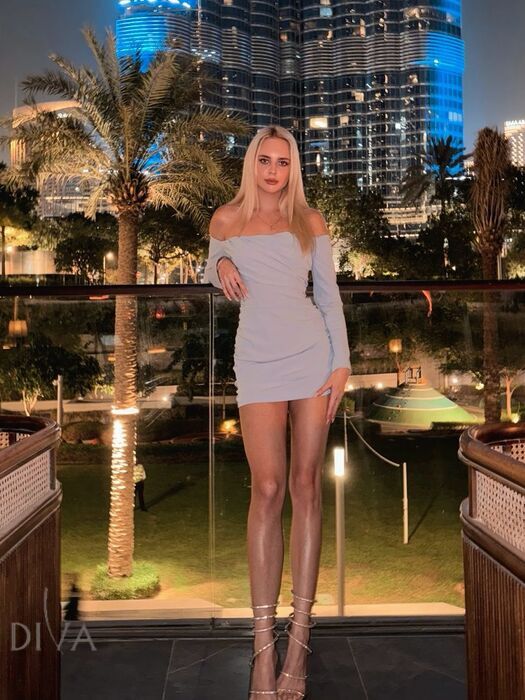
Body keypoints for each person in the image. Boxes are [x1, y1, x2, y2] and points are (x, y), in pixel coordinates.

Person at [202, 125, 351, 699]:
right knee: (266, 489)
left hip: (312, 357)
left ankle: (300, 640)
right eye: (264, 160)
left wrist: (341, 364)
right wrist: (221, 264)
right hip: (257, 361)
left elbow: (328, 297)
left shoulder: (310, 221)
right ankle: (263, 645)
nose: (272, 171)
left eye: (282, 162)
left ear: (293, 169)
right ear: (251, 164)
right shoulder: (225, 218)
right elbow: (210, 266)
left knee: (305, 485)